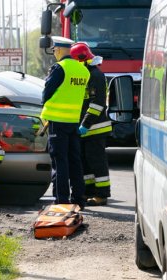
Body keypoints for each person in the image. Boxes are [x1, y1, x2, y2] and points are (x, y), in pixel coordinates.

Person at [41, 36, 90, 208]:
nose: (54, 53)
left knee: (59, 162)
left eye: (54, 50)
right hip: (73, 122)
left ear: (60, 50)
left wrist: (44, 104)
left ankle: (61, 200)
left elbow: (47, 91)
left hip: (57, 121)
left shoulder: (59, 67)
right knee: (75, 161)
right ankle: (79, 199)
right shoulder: (83, 70)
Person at [71, 42, 112, 206]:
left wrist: (85, 124)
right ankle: (89, 192)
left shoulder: (96, 75)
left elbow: (97, 103)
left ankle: (102, 194)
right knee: (85, 162)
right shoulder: (85, 74)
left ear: (81, 59)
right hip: (85, 128)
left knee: (97, 162)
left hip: (95, 127)